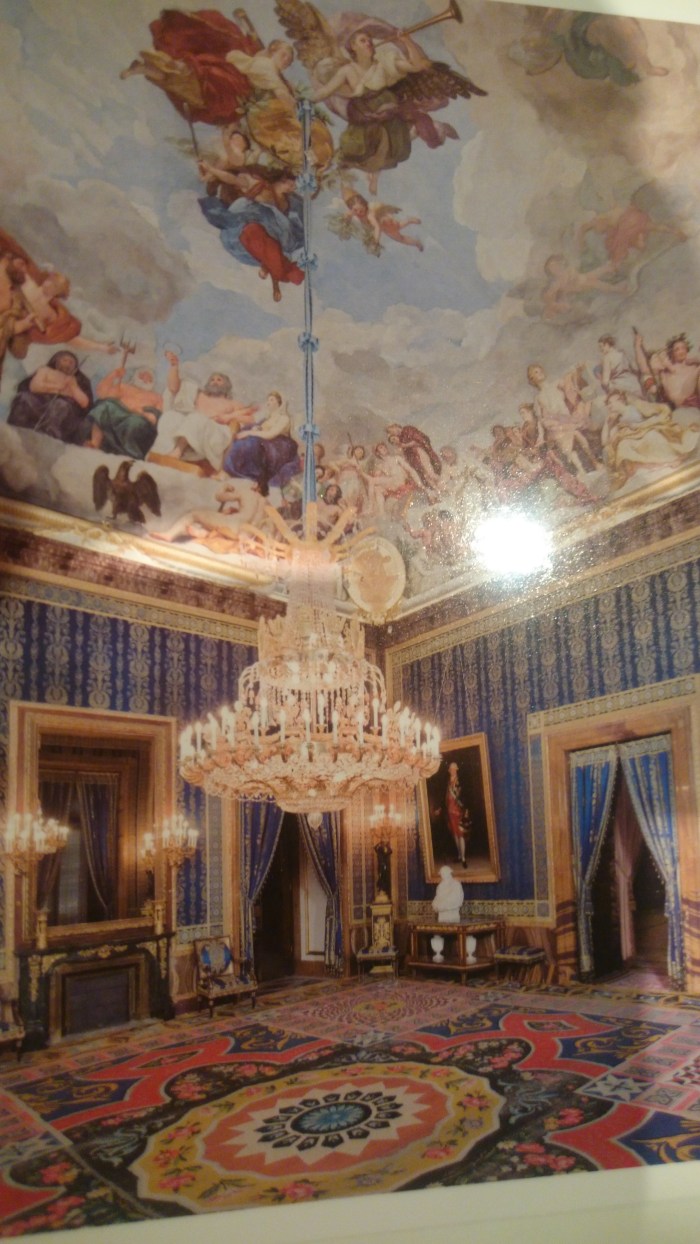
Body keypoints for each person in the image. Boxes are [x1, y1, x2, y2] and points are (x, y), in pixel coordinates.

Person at [150, 351, 257, 473]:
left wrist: (227, 417)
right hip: (191, 426)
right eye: (212, 379)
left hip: (215, 433)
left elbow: (250, 419)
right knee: (171, 416)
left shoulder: (233, 403)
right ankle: (161, 452)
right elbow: (174, 388)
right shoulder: (199, 394)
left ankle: (177, 452)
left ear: (226, 385)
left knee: (196, 419)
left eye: (219, 380)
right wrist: (174, 366)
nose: (215, 382)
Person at [223, 390, 300, 496]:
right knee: (242, 441)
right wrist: (255, 428)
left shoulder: (284, 418)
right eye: (268, 400)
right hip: (265, 442)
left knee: (252, 443)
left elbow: (271, 434)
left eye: (272, 400)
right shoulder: (266, 419)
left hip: (278, 447)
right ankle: (236, 469)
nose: (269, 402)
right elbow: (260, 429)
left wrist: (249, 432)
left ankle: (254, 474)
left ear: (279, 403)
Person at [8, 350, 93, 444]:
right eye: (65, 360)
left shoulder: (74, 380)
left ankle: (49, 437)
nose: (68, 364)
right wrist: (57, 388)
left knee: (61, 405)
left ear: (75, 367)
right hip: (39, 404)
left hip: (61, 411)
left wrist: (73, 387)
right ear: (57, 361)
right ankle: (14, 430)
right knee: (24, 398)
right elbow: (35, 386)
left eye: (71, 362)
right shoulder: (45, 370)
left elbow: (84, 403)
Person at [86, 366, 162, 458]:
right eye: (142, 375)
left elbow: (156, 418)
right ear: (136, 376)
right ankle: (94, 443)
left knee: (135, 421)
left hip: (138, 418)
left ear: (152, 382)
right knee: (104, 406)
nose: (145, 379)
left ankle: (129, 454)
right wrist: (113, 374)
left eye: (149, 378)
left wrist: (142, 413)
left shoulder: (156, 397)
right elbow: (103, 395)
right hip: (118, 413)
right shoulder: (124, 386)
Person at [445, 761, 471, 866]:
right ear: (449, 770)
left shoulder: (461, 781)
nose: (452, 770)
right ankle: (459, 855)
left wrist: (465, 809)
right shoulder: (447, 782)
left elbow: (465, 796)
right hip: (450, 811)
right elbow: (446, 796)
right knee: (455, 834)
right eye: (451, 769)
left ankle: (464, 858)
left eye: (454, 769)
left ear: (456, 770)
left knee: (461, 834)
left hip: (459, 811)